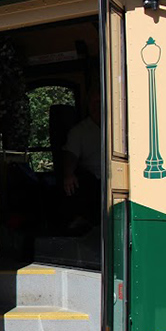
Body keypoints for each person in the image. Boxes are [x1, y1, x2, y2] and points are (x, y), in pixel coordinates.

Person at [62, 91, 101, 231]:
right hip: (91, 178)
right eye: (93, 103)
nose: (97, 106)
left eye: (100, 102)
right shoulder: (78, 131)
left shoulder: (119, 125)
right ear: (88, 106)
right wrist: (68, 174)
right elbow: (71, 155)